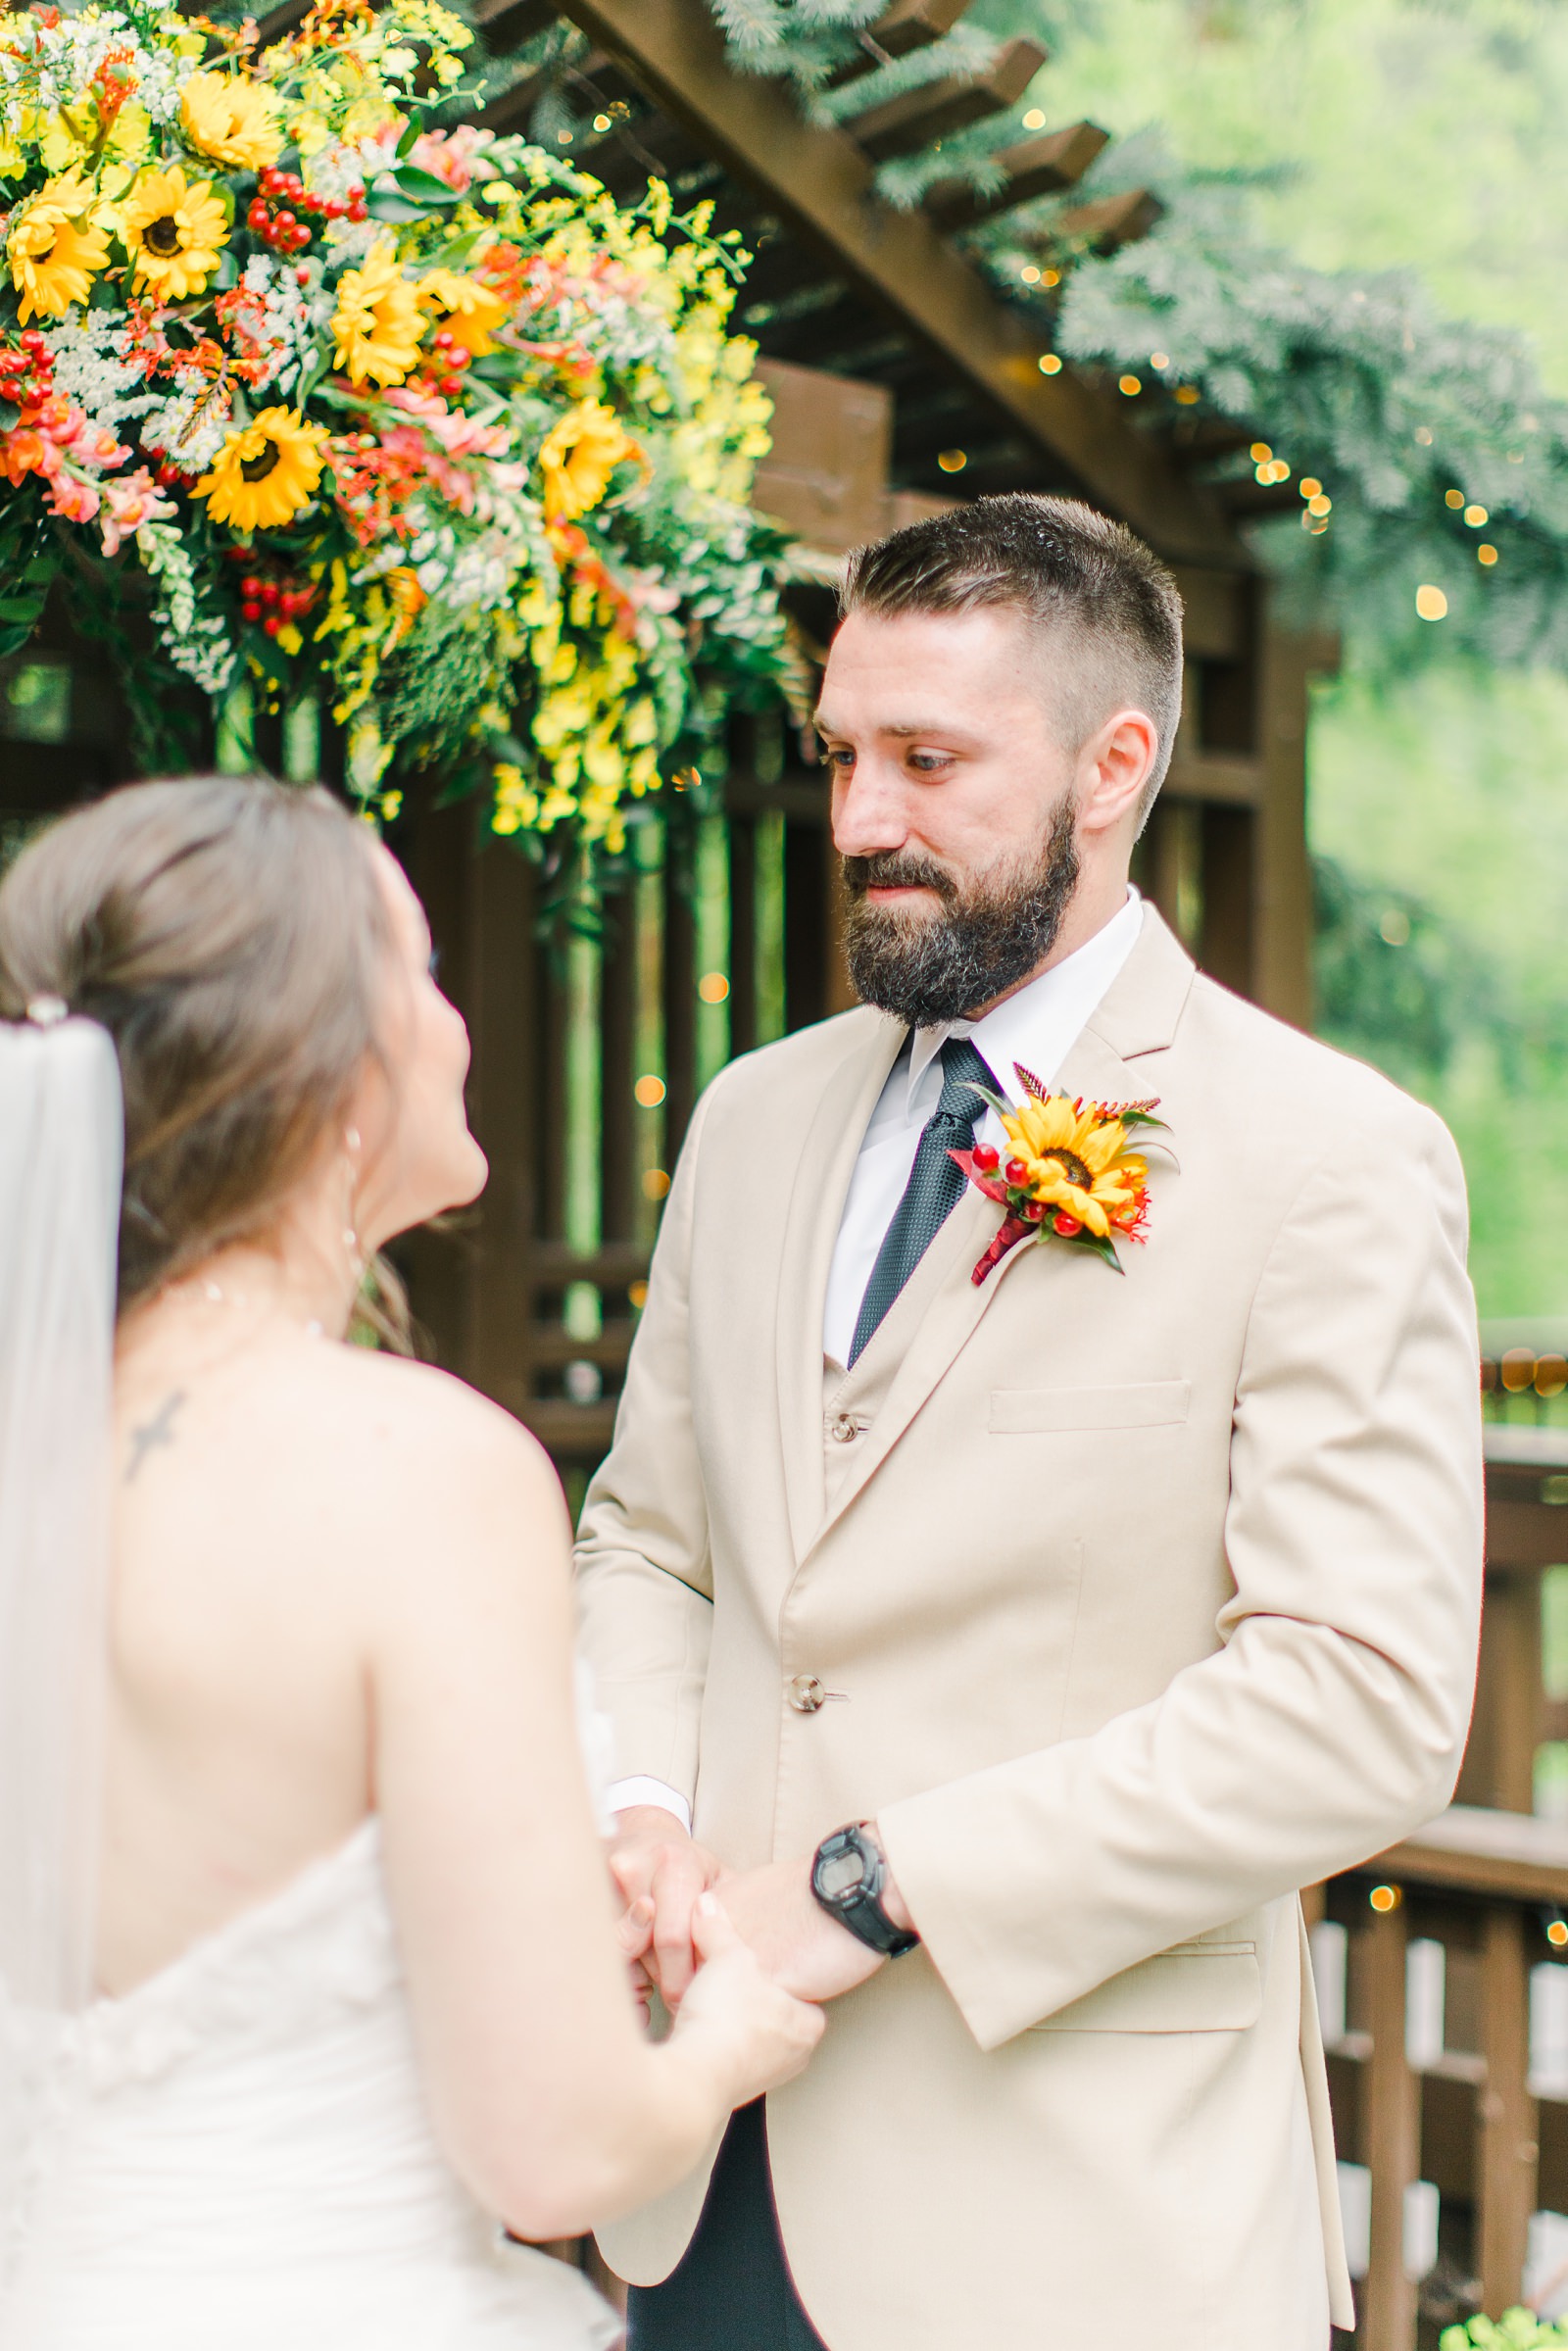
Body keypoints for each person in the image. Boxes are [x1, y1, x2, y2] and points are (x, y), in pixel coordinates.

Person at [575, 493, 1486, 2349]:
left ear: (1110, 766)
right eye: (842, 755)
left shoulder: (1329, 1159)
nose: (859, 822)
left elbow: (1357, 1702)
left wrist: (879, 1882)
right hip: (698, 2169)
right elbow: (652, 1543)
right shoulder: (752, 1118)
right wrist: (642, 1804)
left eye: (928, 760)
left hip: (1079, 2222)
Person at [0, 774, 822, 2349]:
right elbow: (556, 2148)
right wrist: (723, 2040)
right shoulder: (421, 1470)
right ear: (333, 1073)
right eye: (423, 972)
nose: (455, 1025)